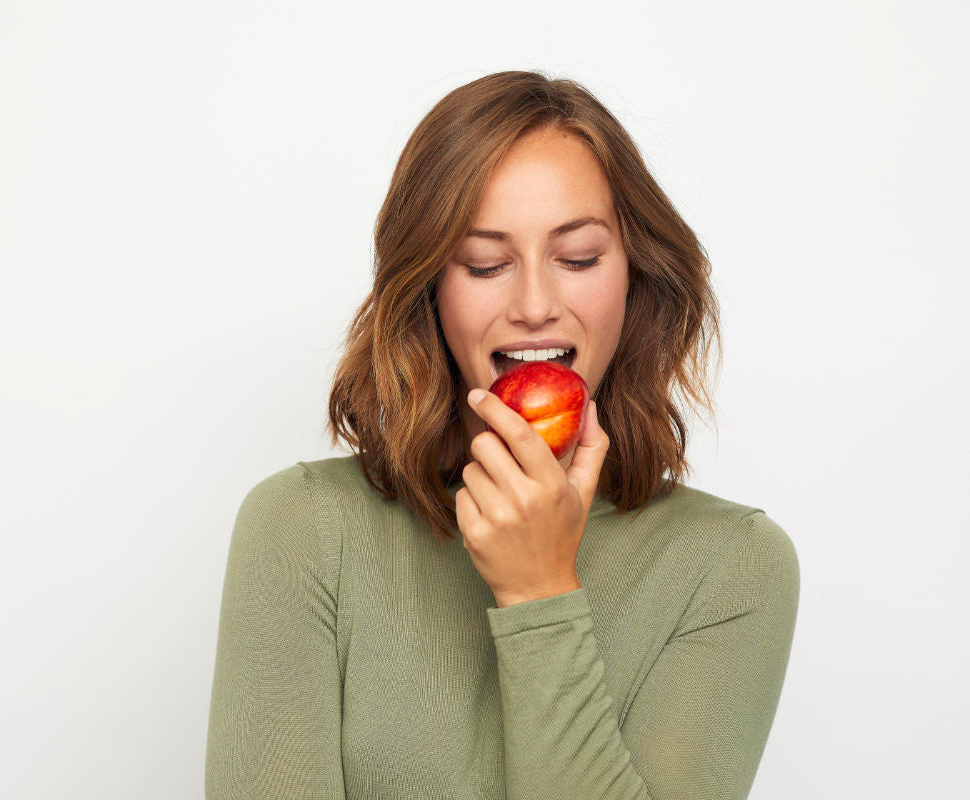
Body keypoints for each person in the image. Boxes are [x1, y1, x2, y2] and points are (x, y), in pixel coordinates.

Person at [205, 70, 800, 800]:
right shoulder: (303, 528)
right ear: (428, 287)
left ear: (636, 275)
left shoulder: (733, 567)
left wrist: (541, 594)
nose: (535, 306)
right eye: (486, 264)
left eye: (577, 258)